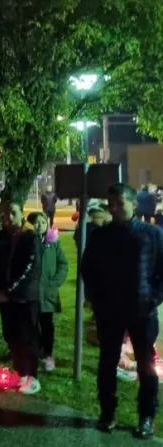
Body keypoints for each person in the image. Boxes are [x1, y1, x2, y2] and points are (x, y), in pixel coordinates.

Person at [83, 183, 163, 438]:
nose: (115, 208)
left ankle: (146, 416)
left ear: (134, 204)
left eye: (121, 203)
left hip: (142, 312)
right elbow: (88, 270)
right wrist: (96, 299)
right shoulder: (100, 236)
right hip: (109, 312)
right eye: (112, 204)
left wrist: (154, 297)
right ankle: (107, 412)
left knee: (146, 366)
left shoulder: (152, 234)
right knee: (107, 364)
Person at [0, 202, 42, 394]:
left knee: (27, 336)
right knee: (12, 336)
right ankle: (20, 372)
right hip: (4, 296)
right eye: (5, 214)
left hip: (24, 296)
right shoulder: (0, 237)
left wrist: (10, 290)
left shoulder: (30, 238)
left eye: (13, 213)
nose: (9, 217)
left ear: (22, 214)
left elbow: (29, 269)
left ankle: (32, 376)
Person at [27, 211, 68, 372]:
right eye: (36, 223)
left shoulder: (53, 242)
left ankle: (48, 354)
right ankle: (35, 352)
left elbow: (63, 263)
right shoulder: (28, 241)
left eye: (42, 222)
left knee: (47, 324)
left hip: (47, 292)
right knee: (31, 323)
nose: (40, 226)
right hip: (31, 291)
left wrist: (54, 283)